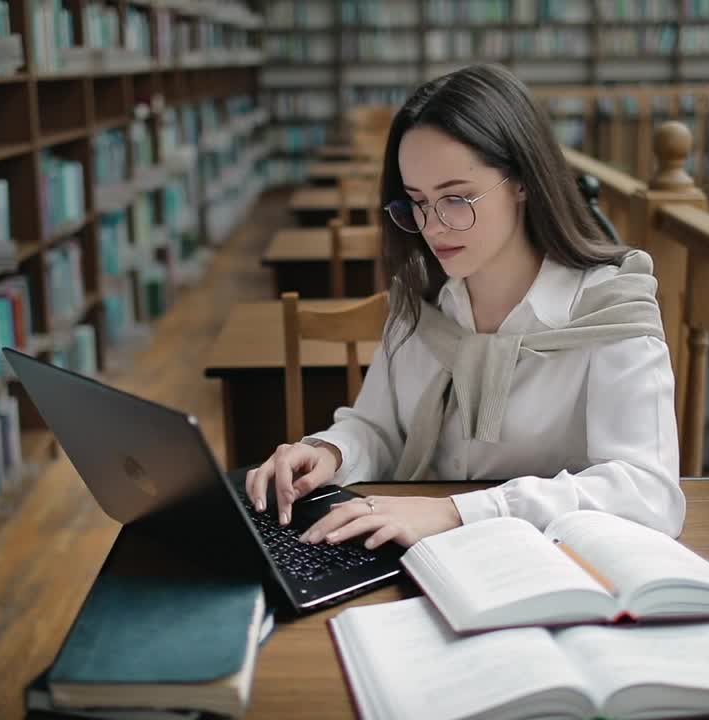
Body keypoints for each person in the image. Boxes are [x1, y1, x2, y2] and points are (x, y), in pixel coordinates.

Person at [246, 64, 685, 550]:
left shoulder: (609, 305)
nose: (432, 226)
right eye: (416, 202)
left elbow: (650, 493)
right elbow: (379, 426)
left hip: (548, 561)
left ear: (522, 182)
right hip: (418, 548)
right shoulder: (422, 297)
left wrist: (459, 512)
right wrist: (330, 451)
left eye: (456, 198)